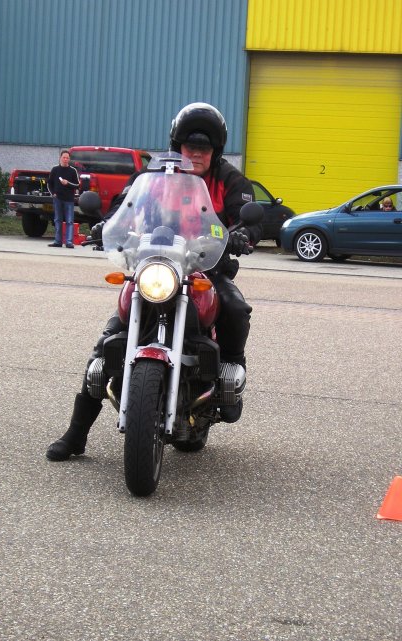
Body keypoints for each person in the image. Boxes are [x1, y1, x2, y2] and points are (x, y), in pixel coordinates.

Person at [46, 102, 262, 461]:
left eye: (204, 147)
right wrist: (104, 224)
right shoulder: (152, 175)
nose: (196, 153)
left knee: (236, 308)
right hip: (155, 266)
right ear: (177, 145)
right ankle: (76, 435)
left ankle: (231, 373)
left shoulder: (228, 179)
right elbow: (123, 206)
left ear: (216, 150)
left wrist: (244, 233)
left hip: (205, 269)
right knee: (108, 339)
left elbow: (249, 215)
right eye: (190, 145)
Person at [47, 150, 79, 248]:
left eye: (67, 158)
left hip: (69, 199)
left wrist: (67, 183)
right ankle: (58, 241)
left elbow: (77, 185)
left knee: (69, 221)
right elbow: (49, 184)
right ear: (60, 158)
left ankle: (69, 242)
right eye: (64, 157)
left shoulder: (73, 171)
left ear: (69, 159)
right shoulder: (55, 169)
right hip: (58, 198)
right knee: (58, 220)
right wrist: (53, 193)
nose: (65, 159)